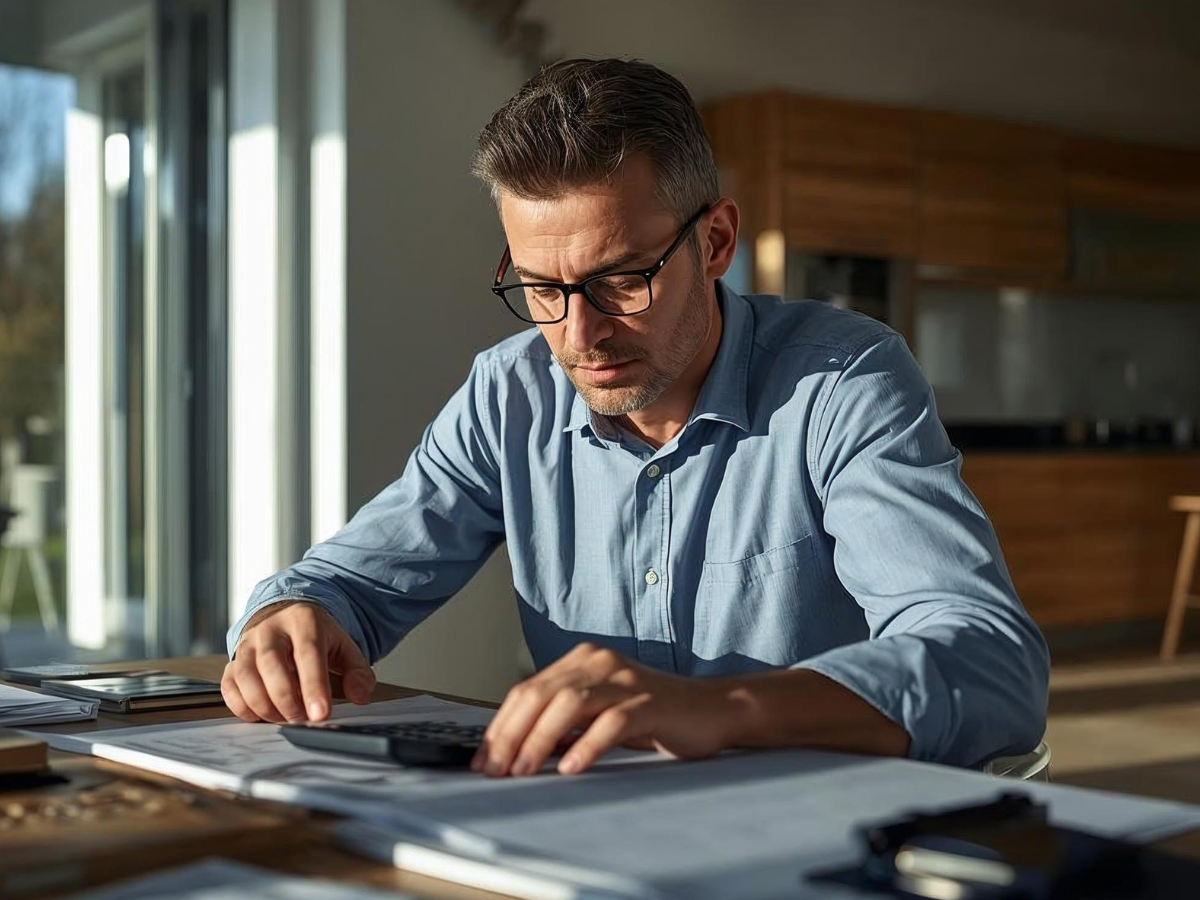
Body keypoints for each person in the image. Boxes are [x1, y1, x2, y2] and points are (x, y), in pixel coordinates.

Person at [222, 58, 1049, 778]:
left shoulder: (842, 381)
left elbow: (991, 664)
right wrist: (289, 618)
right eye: (543, 289)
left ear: (716, 241)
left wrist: (717, 708)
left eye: (622, 279)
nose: (578, 337)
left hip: (819, 838)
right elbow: (350, 585)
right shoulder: (510, 393)